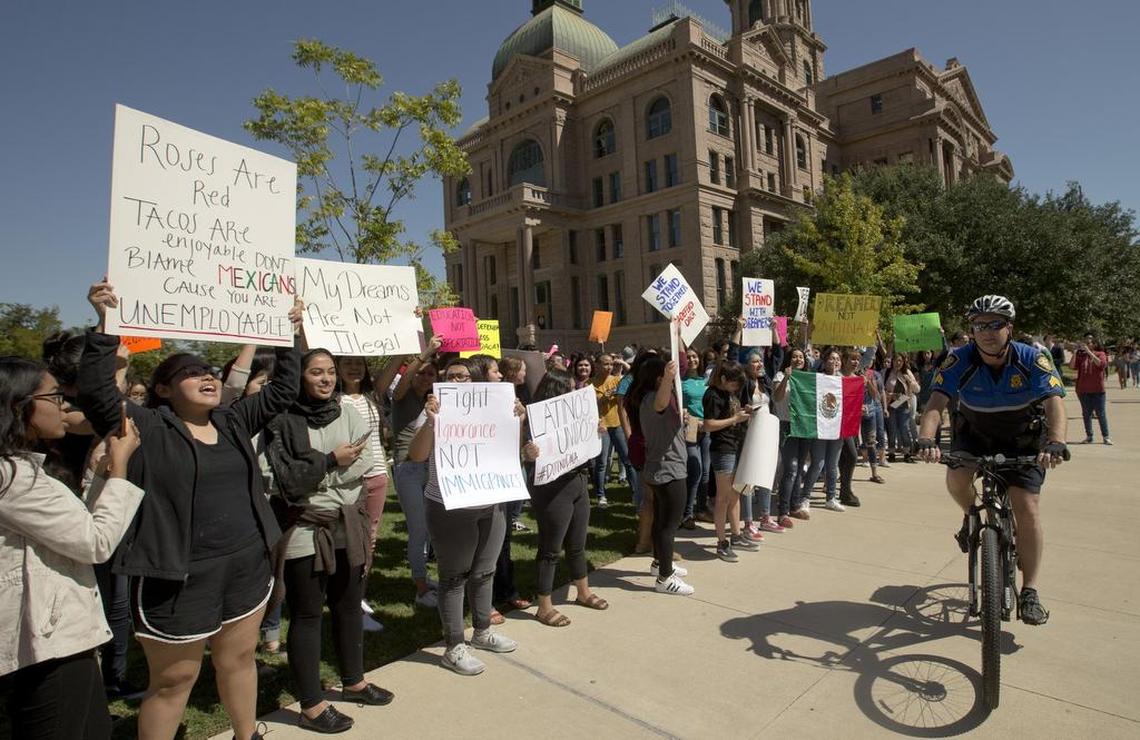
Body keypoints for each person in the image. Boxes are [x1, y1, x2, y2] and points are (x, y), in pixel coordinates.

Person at [78, 280, 302, 740]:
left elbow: (283, 390)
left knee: (237, 659)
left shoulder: (233, 418)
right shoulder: (147, 426)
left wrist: (292, 334)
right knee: (174, 680)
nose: (208, 377)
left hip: (244, 565)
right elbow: (99, 395)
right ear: (162, 388)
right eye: (190, 372)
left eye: (209, 371)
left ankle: (247, 734)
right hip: (177, 576)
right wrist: (105, 324)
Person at [0, 356, 145, 740]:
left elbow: (77, 524)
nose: (64, 406)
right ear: (20, 406)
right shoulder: (11, 478)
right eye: (54, 396)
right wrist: (120, 468)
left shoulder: (24, 469)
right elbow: (95, 542)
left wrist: (102, 475)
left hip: (59, 635)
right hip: (48, 644)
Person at [917, 295, 1068, 626]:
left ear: (1009, 327)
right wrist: (926, 438)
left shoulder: (1032, 358)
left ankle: (1030, 591)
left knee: (1026, 507)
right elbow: (935, 403)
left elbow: (1055, 402)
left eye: (995, 324)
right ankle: (971, 515)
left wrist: (1056, 442)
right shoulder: (959, 360)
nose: (986, 332)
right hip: (975, 433)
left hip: (1022, 437)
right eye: (979, 325)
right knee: (957, 480)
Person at [262, 349, 392, 734]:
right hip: (304, 529)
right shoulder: (283, 420)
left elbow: (365, 465)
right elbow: (279, 480)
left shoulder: (348, 413)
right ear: (299, 377)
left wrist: (316, 473)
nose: (326, 379)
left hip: (346, 523)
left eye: (330, 372)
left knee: (349, 605)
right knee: (306, 614)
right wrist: (334, 461)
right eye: (316, 372)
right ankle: (312, 705)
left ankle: (354, 682)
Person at [408, 359, 521, 676]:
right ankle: (454, 645)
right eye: (451, 376)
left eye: (465, 376)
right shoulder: (433, 411)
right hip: (450, 505)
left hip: (492, 502)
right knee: (454, 576)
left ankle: (482, 631)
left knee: (485, 570)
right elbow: (416, 456)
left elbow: (509, 450)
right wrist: (431, 422)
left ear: (475, 382)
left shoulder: (495, 408)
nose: (459, 381)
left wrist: (516, 419)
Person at [527, 368, 608, 626]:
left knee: (577, 543)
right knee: (551, 548)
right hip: (552, 488)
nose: (575, 393)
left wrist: (595, 430)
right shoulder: (534, 420)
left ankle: (582, 591)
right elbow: (521, 454)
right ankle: (544, 606)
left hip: (577, 481)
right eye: (570, 389)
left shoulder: (578, 416)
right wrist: (528, 452)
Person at [626, 354, 694, 595]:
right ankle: (665, 579)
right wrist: (668, 377)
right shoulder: (655, 398)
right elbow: (662, 403)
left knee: (661, 522)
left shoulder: (645, 398)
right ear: (658, 378)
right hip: (669, 470)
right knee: (669, 525)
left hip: (659, 468)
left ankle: (659, 563)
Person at [337, 355, 392, 632]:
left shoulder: (373, 395)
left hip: (377, 476)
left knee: (369, 541)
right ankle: (346, 599)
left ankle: (359, 599)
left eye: (359, 363)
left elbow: (398, 363)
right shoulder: (333, 399)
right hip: (348, 480)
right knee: (349, 542)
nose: (354, 368)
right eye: (347, 363)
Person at [388, 336, 443, 609]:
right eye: (420, 372)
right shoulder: (402, 397)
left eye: (430, 373)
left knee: (432, 527)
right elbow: (404, 382)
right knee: (418, 529)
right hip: (408, 469)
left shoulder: (437, 400)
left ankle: (425, 576)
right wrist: (425, 352)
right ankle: (420, 589)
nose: (424, 376)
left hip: (432, 468)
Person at [702, 360, 757, 561]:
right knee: (723, 499)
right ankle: (721, 542)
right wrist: (735, 419)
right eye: (734, 384)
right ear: (724, 379)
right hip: (723, 449)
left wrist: (744, 412)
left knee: (735, 495)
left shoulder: (728, 393)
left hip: (734, 445)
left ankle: (735, 535)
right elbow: (708, 424)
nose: (737, 388)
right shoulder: (713, 395)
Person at [800, 349, 848, 513]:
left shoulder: (844, 381)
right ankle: (805, 497)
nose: (834, 362)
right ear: (824, 362)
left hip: (836, 429)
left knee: (833, 465)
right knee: (818, 464)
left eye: (837, 359)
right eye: (831, 358)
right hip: (820, 429)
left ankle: (831, 498)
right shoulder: (817, 379)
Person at [591, 354, 639, 509]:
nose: (609, 367)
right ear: (597, 365)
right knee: (602, 463)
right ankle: (601, 495)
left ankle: (635, 492)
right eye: (605, 364)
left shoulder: (617, 380)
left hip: (617, 424)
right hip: (601, 427)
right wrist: (605, 397)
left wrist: (623, 363)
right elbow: (590, 405)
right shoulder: (590, 384)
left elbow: (633, 375)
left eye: (611, 364)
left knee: (628, 460)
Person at [680, 347, 709, 528]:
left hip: (706, 429)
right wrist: (691, 420)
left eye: (695, 356)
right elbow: (680, 408)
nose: (692, 360)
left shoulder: (705, 381)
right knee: (695, 470)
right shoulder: (681, 383)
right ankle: (687, 513)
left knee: (705, 472)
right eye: (689, 357)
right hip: (689, 428)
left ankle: (702, 509)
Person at [1070, 333, 1111, 445]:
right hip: (1083, 390)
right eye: (1086, 341)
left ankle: (1106, 436)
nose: (1088, 343)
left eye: (1090, 341)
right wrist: (1075, 352)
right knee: (1086, 414)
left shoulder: (1100, 354)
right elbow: (1072, 366)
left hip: (1098, 390)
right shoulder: (1081, 356)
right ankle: (1089, 436)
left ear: (1094, 343)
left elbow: (1101, 365)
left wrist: (1089, 352)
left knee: (1101, 414)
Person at [884, 353, 920, 462]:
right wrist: (891, 395)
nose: (898, 363)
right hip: (891, 405)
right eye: (896, 360)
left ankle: (907, 453)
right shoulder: (886, 373)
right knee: (892, 429)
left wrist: (910, 381)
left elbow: (917, 389)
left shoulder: (907, 372)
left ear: (903, 362)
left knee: (905, 429)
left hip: (904, 404)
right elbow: (881, 390)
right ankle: (891, 453)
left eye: (900, 361)